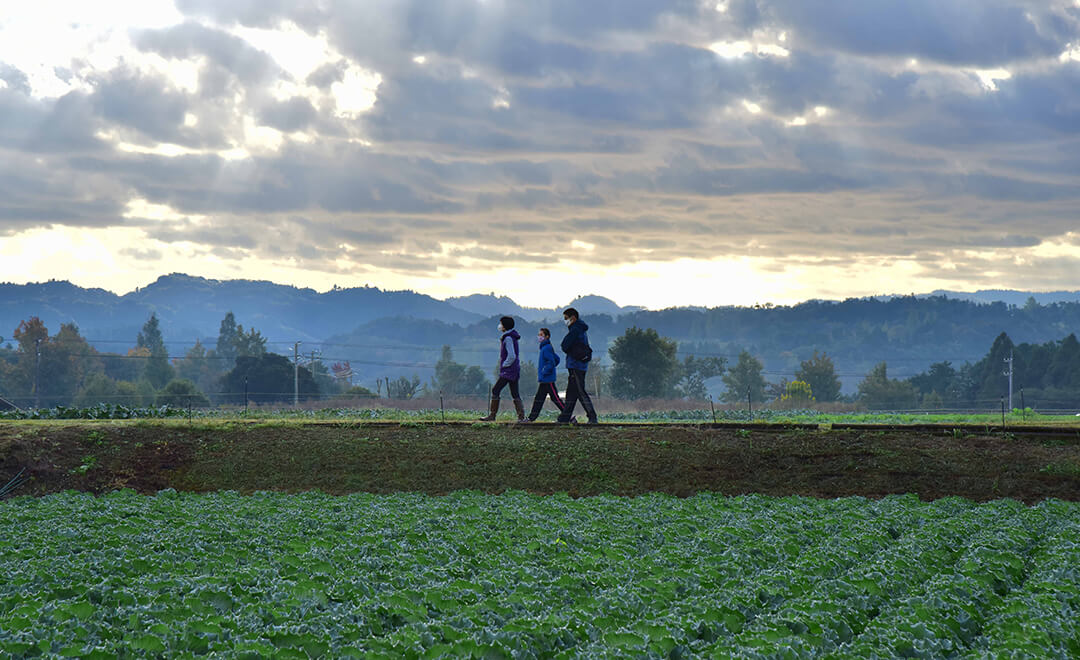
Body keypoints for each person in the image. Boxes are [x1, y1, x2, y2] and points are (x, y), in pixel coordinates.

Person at [556, 307, 598, 424]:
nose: (565, 321)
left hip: (576, 365)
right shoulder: (580, 329)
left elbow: (564, 345)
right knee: (571, 393)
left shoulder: (575, 330)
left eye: (566, 318)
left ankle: (592, 416)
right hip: (578, 364)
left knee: (580, 391)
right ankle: (564, 417)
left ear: (573, 318)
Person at [521, 327, 572, 423]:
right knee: (539, 399)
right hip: (544, 379)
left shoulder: (546, 348)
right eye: (539, 335)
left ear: (547, 336)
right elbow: (556, 359)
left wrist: (545, 371)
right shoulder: (546, 347)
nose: (539, 337)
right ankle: (531, 418)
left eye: (541, 335)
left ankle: (569, 416)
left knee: (555, 398)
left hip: (548, 379)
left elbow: (552, 362)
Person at [479, 316, 524, 421]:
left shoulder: (508, 338)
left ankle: (492, 415)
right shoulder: (512, 336)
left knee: (496, 390)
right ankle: (521, 417)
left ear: (505, 326)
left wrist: (505, 364)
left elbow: (511, 355)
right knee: (515, 393)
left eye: (501, 324)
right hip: (514, 369)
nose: (500, 326)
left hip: (509, 370)